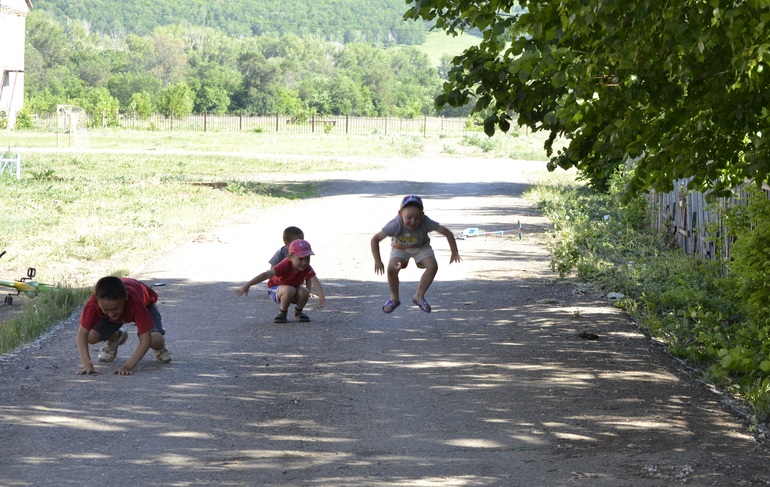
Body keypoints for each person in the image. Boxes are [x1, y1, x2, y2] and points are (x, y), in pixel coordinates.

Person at [371, 194, 461, 314]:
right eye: (409, 217)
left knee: (432, 266)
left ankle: (419, 296)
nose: (413, 222)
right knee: (392, 268)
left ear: (422, 216)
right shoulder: (395, 225)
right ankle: (394, 298)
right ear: (400, 213)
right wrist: (377, 260)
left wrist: (454, 252)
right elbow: (375, 239)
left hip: (421, 248)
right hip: (401, 248)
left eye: (417, 218)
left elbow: (447, 233)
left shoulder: (426, 222)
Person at [76, 276, 172, 376]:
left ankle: (160, 349)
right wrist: (87, 365)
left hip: (146, 306)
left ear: (126, 297)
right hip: (117, 313)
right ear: (98, 300)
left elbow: (146, 340)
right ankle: (115, 336)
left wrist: (128, 366)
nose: (111, 313)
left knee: (155, 340)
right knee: (90, 336)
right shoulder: (93, 304)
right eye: (105, 309)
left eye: (115, 309)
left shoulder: (136, 303)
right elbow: (81, 335)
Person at [236, 239, 326, 323]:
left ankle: (298, 312)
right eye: (301, 259)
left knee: (305, 292)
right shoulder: (285, 264)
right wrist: (248, 285)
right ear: (290, 257)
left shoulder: (307, 268)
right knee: (289, 289)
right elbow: (266, 274)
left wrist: (321, 299)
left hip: (292, 289)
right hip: (276, 289)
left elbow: (316, 282)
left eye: (307, 259)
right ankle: (282, 313)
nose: (304, 263)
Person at [269, 226, 315, 296]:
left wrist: (308, 292)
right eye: (296, 241)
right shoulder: (281, 253)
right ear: (287, 243)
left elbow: (309, 274)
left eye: (302, 240)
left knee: (307, 271)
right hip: (283, 282)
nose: (300, 243)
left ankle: (304, 292)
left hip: (296, 281)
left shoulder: (303, 254)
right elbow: (272, 270)